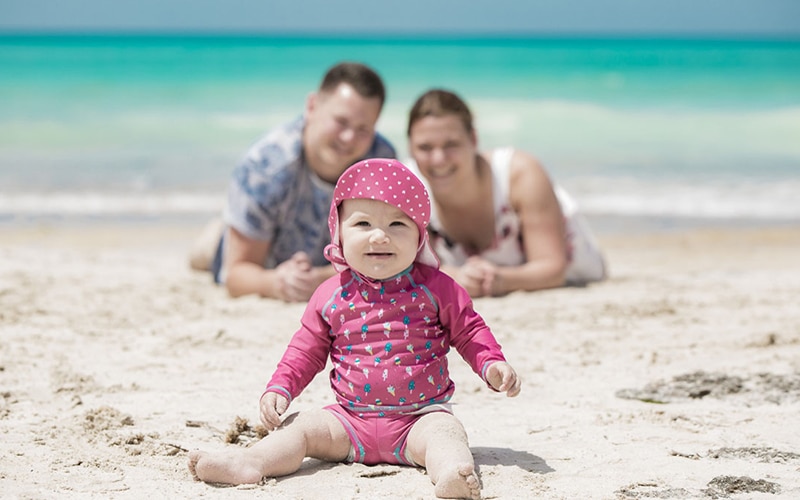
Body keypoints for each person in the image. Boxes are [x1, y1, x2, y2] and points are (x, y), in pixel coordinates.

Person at [188, 159, 521, 500]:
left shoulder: (438, 288)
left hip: (419, 419)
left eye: (397, 224)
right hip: (348, 423)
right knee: (301, 427)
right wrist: (281, 387)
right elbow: (306, 350)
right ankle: (251, 462)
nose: (380, 235)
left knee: (446, 434)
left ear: (420, 236)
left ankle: (450, 474)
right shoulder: (330, 295)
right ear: (339, 235)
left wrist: (491, 364)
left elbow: (469, 331)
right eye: (362, 223)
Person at [188, 62, 397, 302]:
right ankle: (216, 236)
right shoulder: (265, 167)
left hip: (327, 264)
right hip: (264, 258)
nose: (349, 138)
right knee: (212, 256)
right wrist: (275, 283)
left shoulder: (381, 162)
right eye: (341, 122)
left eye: (363, 129)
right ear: (312, 106)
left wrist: (320, 278)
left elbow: (386, 256)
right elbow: (235, 274)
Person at [405, 89, 607, 298]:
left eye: (451, 144)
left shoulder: (520, 174)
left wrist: (500, 281)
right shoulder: (407, 187)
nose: (439, 159)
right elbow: (408, 268)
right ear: (410, 147)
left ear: (473, 139)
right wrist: (454, 277)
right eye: (425, 147)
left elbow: (553, 267)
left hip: (577, 268)